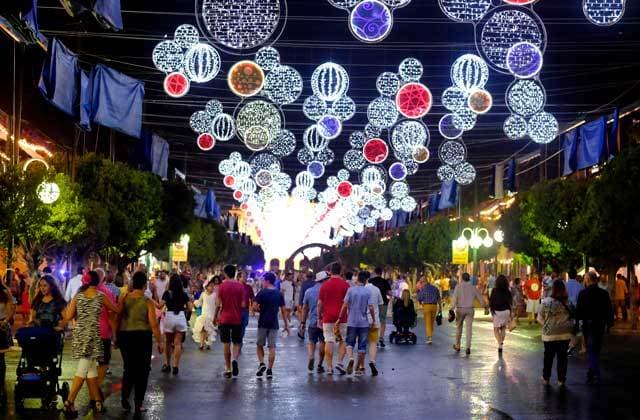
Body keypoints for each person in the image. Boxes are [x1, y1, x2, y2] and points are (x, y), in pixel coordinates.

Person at [58, 271, 119, 416]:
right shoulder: (101, 296)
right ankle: (69, 402)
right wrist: (122, 299)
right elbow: (116, 309)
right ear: (98, 282)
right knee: (83, 370)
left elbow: (68, 316)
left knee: (90, 369)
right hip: (94, 335)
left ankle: (97, 401)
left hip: (81, 335)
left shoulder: (78, 296)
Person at [116, 271, 163, 414]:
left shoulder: (124, 298)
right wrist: (160, 341)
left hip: (125, 336)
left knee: (129, 368)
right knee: (142, 370)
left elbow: (118, 317)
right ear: (144, 285)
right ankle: (138, 403)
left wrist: (116, 336)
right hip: (143, 337)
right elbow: (153, 324)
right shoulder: (147, 301)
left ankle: (124, 398)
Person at [576, 271, 614, 385]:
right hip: (600, 324)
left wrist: (577, 324)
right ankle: (592, 372)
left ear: (587, 280)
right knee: (596, 348)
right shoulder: (603, 293)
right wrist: (609, 323)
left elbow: (579, 310)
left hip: (588, 325)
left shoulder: (583, 293)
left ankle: (594, 372)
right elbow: (609, 309)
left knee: (590, 348)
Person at [337, 271, 375, 376]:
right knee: (362, 346)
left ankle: (350, 358)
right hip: (363, 323)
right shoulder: (367, 292)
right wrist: (373, 319)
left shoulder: (350, 290)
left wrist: (340, 317)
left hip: (351, 321)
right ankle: (358, 369)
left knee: (349, 343)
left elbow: (344, 305)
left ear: (357, 279)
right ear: (365, 281)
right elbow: (371, 307)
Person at [537, 279, 574, 387]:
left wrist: (546, 324)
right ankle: (561, 380)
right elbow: (572, 318)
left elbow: (539, 318)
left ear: (553, 289)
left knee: (548, 356)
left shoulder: (546, 301)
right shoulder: (569, 302)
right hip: (565, 334)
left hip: (549, 335)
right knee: (562, 357)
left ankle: (546, 378)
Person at [253, 272, 289, 379]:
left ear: (267, 281)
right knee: (272, 347)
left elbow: (254, 307)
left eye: (264, 280)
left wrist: (260, 309)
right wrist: (286, 325)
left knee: (260, 345)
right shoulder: (279, 294)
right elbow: (283, 311)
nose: (263, 282)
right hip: (274, 323)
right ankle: (269, 370)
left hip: (263, 322)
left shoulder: (261, 293)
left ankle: (261, 363)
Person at [214, 265, 246, 379]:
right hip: (237, 318)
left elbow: (218, 304)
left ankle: (228, 368)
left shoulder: (221, 286)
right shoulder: (240, 286)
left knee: (226, 343)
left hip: (225, 318)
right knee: (237, 342)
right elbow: (243, 304)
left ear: (226, 273)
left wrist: (215, 316)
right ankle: (235, 360)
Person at [318, 262, 350, 375]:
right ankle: (340, 362)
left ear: (330, 272)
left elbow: (319, 303)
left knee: (329, 340)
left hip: (327, 317)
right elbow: (348, 303)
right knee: (342, 340)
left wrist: (319, 317)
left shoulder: (324, 285)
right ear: (340, 271)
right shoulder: (346, 285)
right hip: (342, 317)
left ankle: (329, 367)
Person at [158, 274, 190, 375]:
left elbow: (160, 306)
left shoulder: (167, 293)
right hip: (180, 317)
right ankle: (176, 366)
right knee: (178, 343)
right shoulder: (183, 294)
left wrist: (150, 300)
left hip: (170, 317)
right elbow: (190, 307)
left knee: (168, 342)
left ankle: (167, 364)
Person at [451, 272, 487, 355]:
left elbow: (454, 299)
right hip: (470, 309)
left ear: (462, 278)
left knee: (459, 327)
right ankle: (468, 347)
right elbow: (480, 298)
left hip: (460, 309)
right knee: (469, 328)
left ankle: (457, 345)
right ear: (469, 279)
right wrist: (484, 306)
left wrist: (451, 308)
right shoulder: (473, 287)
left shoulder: (458, 287)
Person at [300, 271, 327, 374]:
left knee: (312, 341)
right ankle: (320, 364)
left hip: (312, 321)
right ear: (324, 280)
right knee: (323, 342)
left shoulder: (308, 291)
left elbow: (305, 308)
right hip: (324, 321)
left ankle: (311, 356)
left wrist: (302, 322)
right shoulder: (326, 290)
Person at [364, 272, 383, 376]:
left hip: (362, 321)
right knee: (373, 343)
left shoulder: (361, 290)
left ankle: (360, 366)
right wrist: (377, 316)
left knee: (362, 343)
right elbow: (381, 304)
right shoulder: (376, 289)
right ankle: (372, 361)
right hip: (374, 321)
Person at [0, 277, 15, 406]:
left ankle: (2, 387)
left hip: (1, 327)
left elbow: (12, 307)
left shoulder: (4, 292)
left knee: (0, 359)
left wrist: (5, 321)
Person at [489, 275, 512, 354]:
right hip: (506, 311)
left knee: (496, 329)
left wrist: (491, 310)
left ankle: (500, 343)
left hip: (497, 311)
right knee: (503, 328)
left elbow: (491, 301)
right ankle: (500, 343)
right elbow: (510, 302)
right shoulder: (508, 291)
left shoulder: (494, 290)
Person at [369, 267, 392, 348]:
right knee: (382, 320)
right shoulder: (385, 281)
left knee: (373, 319)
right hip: (383, 303)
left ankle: (373, 338)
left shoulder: (370, 281)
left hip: (372, 303)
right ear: (381, 272)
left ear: (375, 272)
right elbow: (389, 293)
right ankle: (381, 337)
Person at [192, 279, 217, 350]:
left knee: (209, 330)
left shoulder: (215, 295)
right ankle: (202, 344)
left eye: (213, 286)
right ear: (206, 287)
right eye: (210, 286)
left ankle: (208, 343)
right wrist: (195, 303)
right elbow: (199, 302)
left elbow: (217, 305)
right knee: (202, 329)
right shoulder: (203, 294)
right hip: (204, 314)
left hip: (211, 314)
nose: (212, 287)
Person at [417, 278, 441, 345]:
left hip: (426, 306)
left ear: (424, 282)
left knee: (427, 322)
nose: (421, 284)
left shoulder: (423, 289)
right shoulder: (435, 288)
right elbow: (439, 298)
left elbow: (419, 298)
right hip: (434, 306)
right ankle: (430, 336)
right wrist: (440, 308)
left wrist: (420, 302)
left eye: (421, 282)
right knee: (432, 322)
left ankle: (429, 337)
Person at [239, 271, 254, 343]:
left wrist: (253, 308)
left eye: (246, 277)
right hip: (236, 310)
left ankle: (240, 340)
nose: (245, 278)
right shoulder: (235, 286)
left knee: (244, 325)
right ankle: (237, 341)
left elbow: (252, 298)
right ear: (239, 277)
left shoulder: (248, 287)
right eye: (243, 276)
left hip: (245, 310)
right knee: (236, 326)